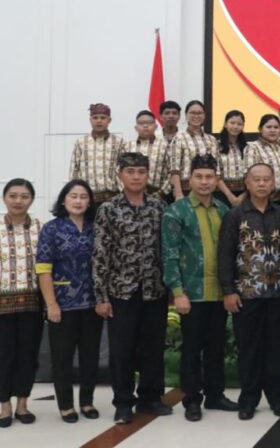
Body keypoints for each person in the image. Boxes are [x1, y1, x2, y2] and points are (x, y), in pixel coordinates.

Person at [92, 152, 171, 424]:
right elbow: (100, 254)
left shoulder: (159, 206)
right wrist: (101, 296)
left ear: (148, 175)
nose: (136, 177)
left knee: (153, 347)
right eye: (130, 172)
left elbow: (167, 248)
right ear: (120, 175)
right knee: (122, 350)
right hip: (121, 291)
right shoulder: (108, 208)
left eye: (141, 172)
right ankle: (123, 402)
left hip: (154, 289)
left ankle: (151, 398)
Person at [161, 155, 239, 422]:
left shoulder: (223, 210)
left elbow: (231, 253)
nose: (204, 182)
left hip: (219, 293)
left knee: (216, 348)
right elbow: (169, 254)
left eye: (209, 177)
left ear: (217, 181)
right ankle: (192, 400)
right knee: (192, 350)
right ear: (190, 179)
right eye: (199, 177)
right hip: (191, 294)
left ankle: (215, 395)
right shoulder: (176, 211)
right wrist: (178, 292)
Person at [218, 163, 280, 421]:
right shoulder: (235, 215)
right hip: (246, 294)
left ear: (273, 183)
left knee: (276, 350)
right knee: (249, 350)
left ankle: (278, 399)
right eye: (256, 179)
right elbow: (225, 254)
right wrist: (228, 290)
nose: (261, 184)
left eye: (266, 179)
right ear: (246, 183)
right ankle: (248, 400)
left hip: (278, 295)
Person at [36, 180, 103, 423]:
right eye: (73, 196)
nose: (78, 201)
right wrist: (51, 304)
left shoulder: (96, 227)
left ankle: (87, 401)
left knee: (90, 357)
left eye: (83, 196)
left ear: (90, 202)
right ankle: (65, 405)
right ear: (64, 200)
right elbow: (43, 268)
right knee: (62, 358)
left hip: (93, 303)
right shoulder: (52, 229)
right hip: (62, 304)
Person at [0, 179, 43, 427]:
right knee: (3, 356)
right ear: (4, 198)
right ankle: (4, 405)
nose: (18, 201)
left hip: (31, 305)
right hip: (1, 307)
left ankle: (23, 404)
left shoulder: (40, 228)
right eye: (13, 195)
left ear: (31, 200)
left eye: (24, 196)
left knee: (28, 355)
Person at [69, 103, 125, 205]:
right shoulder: (81, 142)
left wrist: (124, 195)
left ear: (109, 120)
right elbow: (74, 170)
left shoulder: (119, 142)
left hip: (113, 198)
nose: (99, 121)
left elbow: (123, 170)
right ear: (90, 120)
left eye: (103, 118)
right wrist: (74, 194)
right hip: (87, 199)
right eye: (95, 118)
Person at [169, 100, 219, 200]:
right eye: (192, 113)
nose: (196, 116)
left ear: (204, 116)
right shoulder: (179, 138)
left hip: (208, 190)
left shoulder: (212, 140)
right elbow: (174, 169)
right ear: (186, 115)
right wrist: (178, 193)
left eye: (199, 113)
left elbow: (216, 168)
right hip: (186, 191)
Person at [244, 114, 280, 208]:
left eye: (276, 127)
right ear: (260, 129)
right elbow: (250, 176)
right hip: (263, 200)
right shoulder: (253, 147)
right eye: (269, 127)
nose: (272, 130)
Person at [126, 110, 171, 198]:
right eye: (141, 123)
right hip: (131, 195)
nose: (145, 126)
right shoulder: (128, 146)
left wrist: (161, 192)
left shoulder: (165, 146)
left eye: (149, 122)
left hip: (158, 195)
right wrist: (126, 192)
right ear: (136, 127)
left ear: (156, 126)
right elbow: (119, 171)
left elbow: (172, 172)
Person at [215, 109, 247, 206]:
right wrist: (230, 196)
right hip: (221, 193)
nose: (235, 126)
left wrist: (243, 196)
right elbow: (215, 173)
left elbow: (251, 173)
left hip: (244, 195)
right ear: (225, 124)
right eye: (232, 123)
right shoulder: (215, 146)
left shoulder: (247, 147)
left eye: (239, 124)